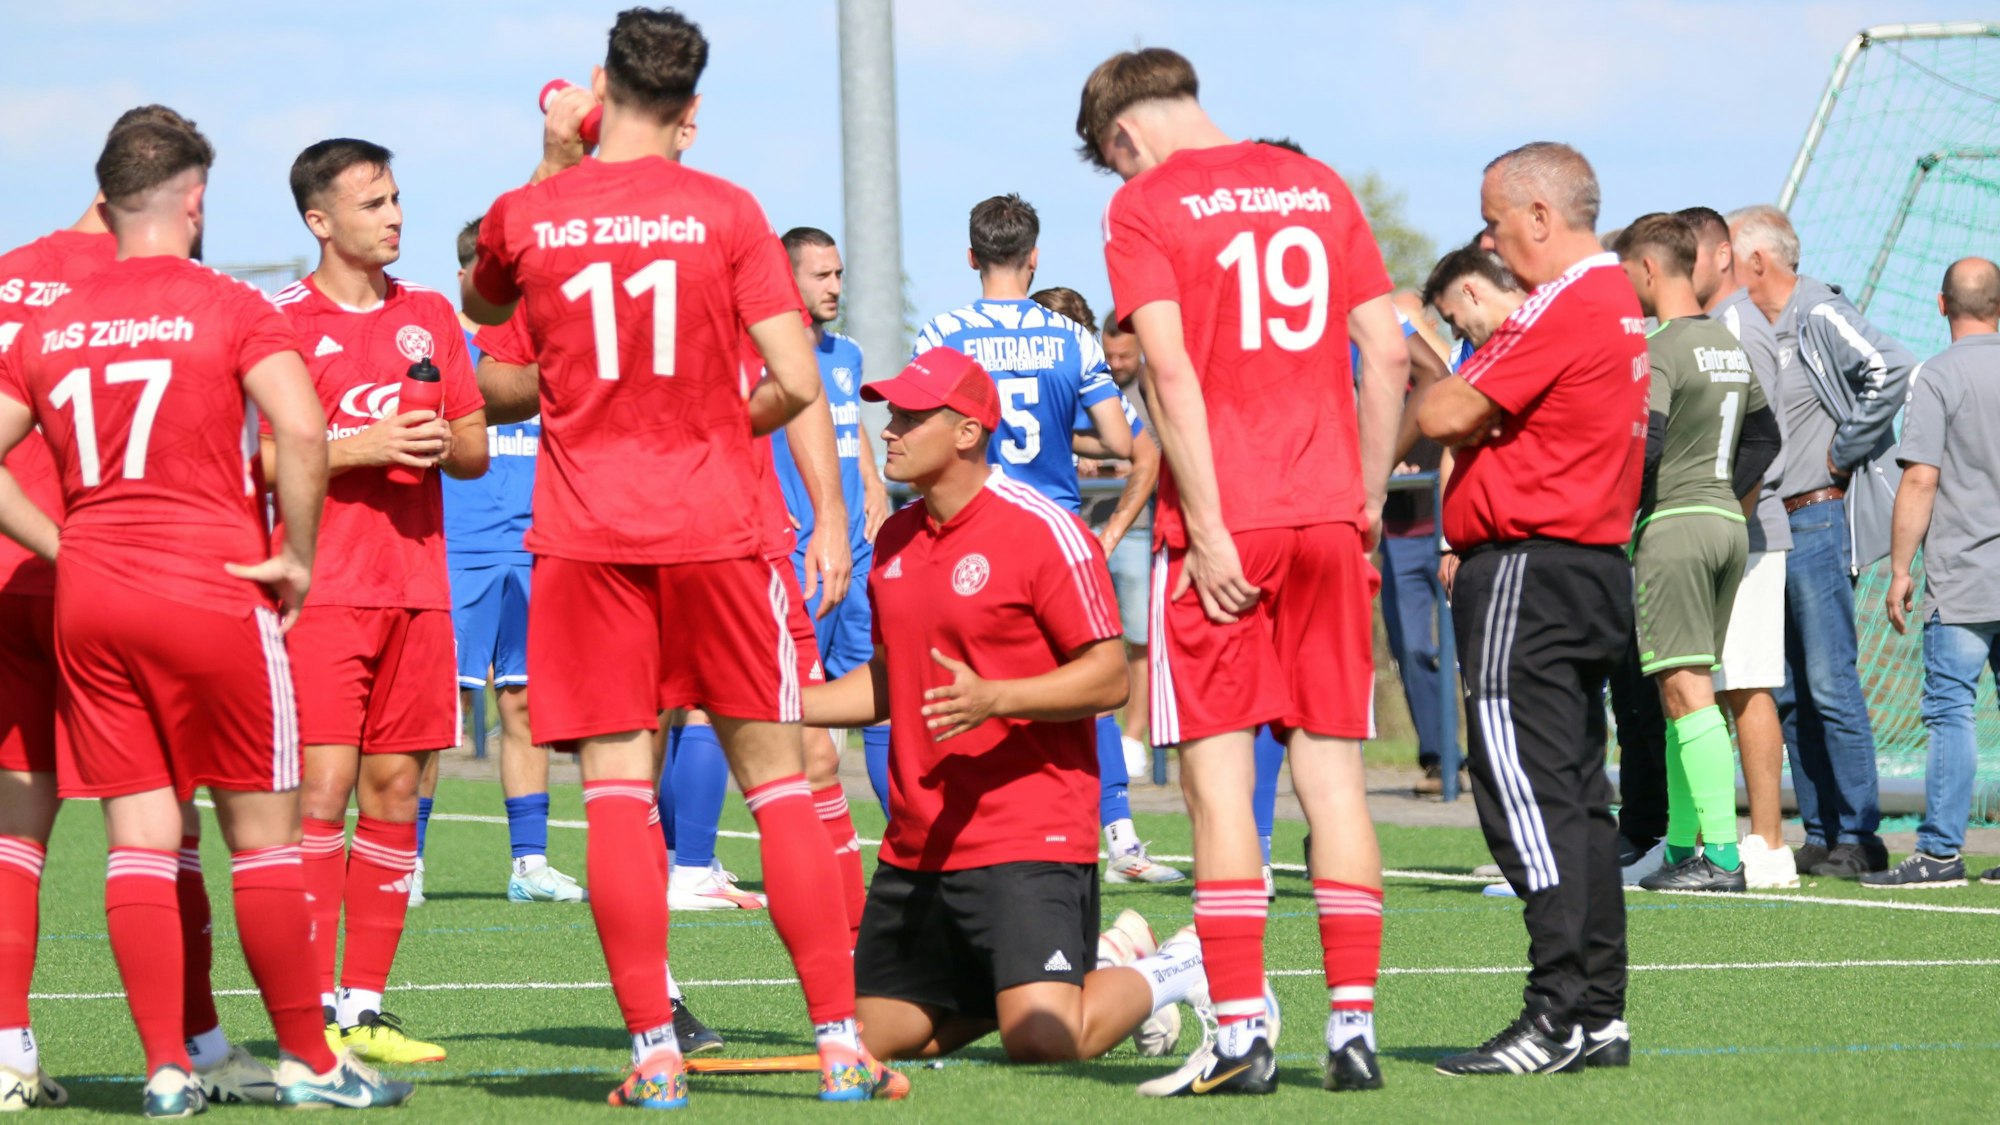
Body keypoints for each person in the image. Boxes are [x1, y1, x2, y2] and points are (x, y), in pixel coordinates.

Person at [462, 8, 903, 1106]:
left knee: (615, 792)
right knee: (781, 788)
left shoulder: (531, 211)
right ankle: (839, 1043)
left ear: (600, 89)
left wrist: (555, 160)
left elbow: (482, 314)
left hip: (584, 538)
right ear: (691, 111)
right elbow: (799, 382)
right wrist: (716, 419)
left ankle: (655, 1053)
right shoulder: (727, 210)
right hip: (717, 531)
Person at [0, 117, 411, 1113]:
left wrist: (69, 547)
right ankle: (312, 1064)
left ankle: (168, 1069)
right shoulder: (225, 303)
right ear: (193, 202)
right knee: (262, 834)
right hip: (208, 583)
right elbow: (303, 425)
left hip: (91, 596)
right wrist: (298, 555)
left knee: (137, 834)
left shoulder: (52, 320)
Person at [1079, 48, 1407, 1096]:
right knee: (1333, 781)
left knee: (1219, 793)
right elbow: (1388, 353)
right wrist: (1359, 498)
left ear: (1120, 137)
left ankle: (1236, 1033)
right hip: (1322, 518)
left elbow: (1167, 370)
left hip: (1227, 529)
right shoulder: (1315, 185)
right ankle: (1350, 1029)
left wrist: (1210, 529)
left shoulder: (1145, 205)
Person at [802, 346, 1207, 1066]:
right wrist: (783, 703)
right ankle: (1076, 968)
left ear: (966, 432)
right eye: (889, 413)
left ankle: (1173, 966)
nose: (888, 429)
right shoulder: (893, 539)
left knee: (1043, 1042)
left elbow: (1110, 676)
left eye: (908, 415)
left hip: (1031, 829)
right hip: (920, 842)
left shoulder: (1041, 528)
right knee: (865, 1044)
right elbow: (891, 685)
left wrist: (999, 697)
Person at [1417, 142, 1646, 1075]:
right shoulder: (1613, 300)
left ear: (1542, 217)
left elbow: (1441, 414)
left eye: (1500, 223)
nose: (1494, 243)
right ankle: (1598, 1011)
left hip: (1527, 568)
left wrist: (1417, 355)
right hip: (1585, 567)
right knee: (1579, 799)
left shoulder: (1568, 299)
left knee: (1523, 792)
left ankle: (1553, 1011)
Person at [274, 138, 487, 1066]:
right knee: (320, 790)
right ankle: (311, 1003)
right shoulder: (276, 320)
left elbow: (476, 447)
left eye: (397, 199)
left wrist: (442, 439)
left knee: (396, 789)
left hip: (417, 589)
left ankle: (364, 1005)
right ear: (320, 221)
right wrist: (361, 445)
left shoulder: (432, 314)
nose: (394, 216)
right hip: (324, 591)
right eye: (372, 203)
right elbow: (255, 458)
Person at [913, 194, 1183, 885]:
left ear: (972, 257)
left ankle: (966, 834)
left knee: (964, 686)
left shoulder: (943, 331)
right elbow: (1125, 443)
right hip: (1054, 532)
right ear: (1034, 258)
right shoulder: (1072, 338)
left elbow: (923, 432)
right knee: (1077, 685)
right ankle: (1115, 834)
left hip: (976, 530)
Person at [1731, 204, 1914, 879]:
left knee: (1832, 681)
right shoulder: (1748, 326)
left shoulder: (1818, 310)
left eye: (1730, 255)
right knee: (1782, 689)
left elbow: (1894, 368)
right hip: (1765, 525)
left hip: (1815, 518)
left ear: (1758, 260)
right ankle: (1818, 830)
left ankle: (1861, 834)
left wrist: (1843, 450)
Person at [1613, 213, 1780, 894]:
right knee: (1682, 688)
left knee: (1685, 691)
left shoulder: (1657, 346)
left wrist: (1619, 513)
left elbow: (1642, 444)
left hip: (1676, 526)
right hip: (1723, 523)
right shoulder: (1727, 344)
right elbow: (1766, 439)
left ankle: (1720, 854)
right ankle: (1685, 844)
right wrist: (1725, 499)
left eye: (1627, 275)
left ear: (1650, 270)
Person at [441, 217, 582, 905]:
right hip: (456, 548)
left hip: (535, 549)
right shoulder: (443, 350)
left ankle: (529, 865)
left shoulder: (547, 352)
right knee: (434, 714)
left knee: (524, 704)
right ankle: (405, 862)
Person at [1677, 205, 1797, 888]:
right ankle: (1708, 834)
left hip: (1747, 531)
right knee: (1722, 683)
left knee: (1749, 681)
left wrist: (1728, 514)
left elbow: (1762, 438)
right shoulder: (1717, 326)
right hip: (1728, 528)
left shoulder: (1738, 326)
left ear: (1723, 256)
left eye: (1688, 256)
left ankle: (1769, 841)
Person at [1872, 258, 2000, 889]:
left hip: (1964, 574)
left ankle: (1942, 852)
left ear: (1941, 303)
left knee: (1951, 711)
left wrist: (1899, 569)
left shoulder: (1939, 375)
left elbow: (1921, 476)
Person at [775, 227, 894, 822]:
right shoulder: (768, 356)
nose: (836, 286)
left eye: (839, 273)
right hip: (800, 556)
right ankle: (686, 855)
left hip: (859, 552)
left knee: (879, 696)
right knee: (790, 709)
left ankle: (908, 843)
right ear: (787, 276)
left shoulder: (845, 353)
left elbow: (846, 428)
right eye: (821, 275)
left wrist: (872, 482)